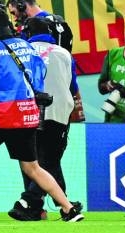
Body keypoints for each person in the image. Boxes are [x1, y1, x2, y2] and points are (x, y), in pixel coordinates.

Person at [0, 8, 84, 223]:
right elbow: (40, 72)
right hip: (25, 112)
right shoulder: (26, 46)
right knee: (33, 167)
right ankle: (68, 209)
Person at [9, 17, 76, 221]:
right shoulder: (64, 53)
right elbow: (72, 86)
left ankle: (29, 201)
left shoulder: (22, 53)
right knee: (51, 158)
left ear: (26, 33)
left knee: (33, 159)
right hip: (60, 111)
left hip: (29, 110)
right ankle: (65, 204)